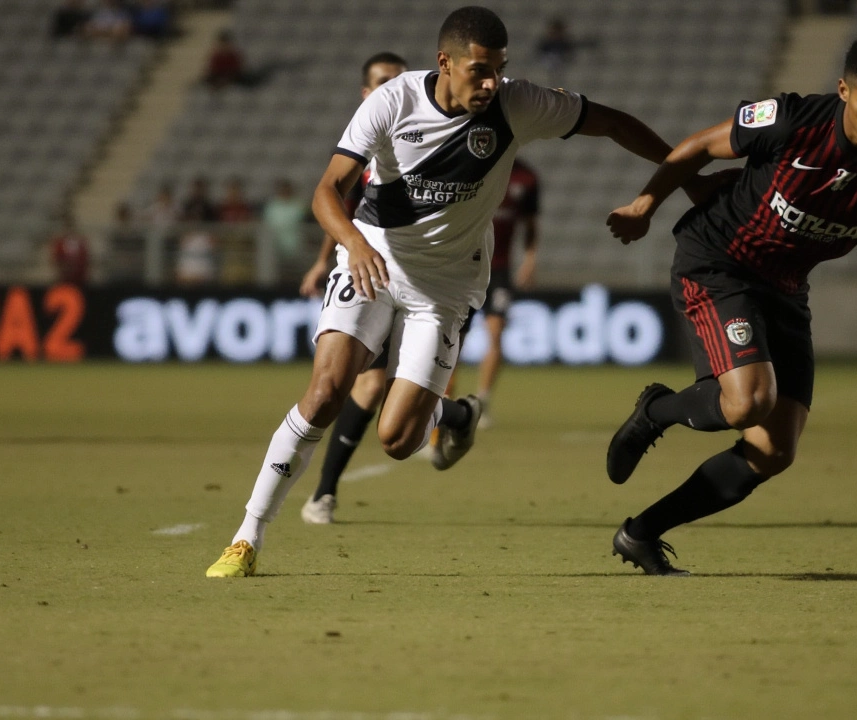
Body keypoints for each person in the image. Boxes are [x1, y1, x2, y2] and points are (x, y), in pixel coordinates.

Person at [207, 6, 723, 577]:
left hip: (446, 289)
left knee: (399, 439)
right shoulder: (391, 101)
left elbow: (616, 123)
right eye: (479, 70)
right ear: (444, 62)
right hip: (372, 262)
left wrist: (687, 179)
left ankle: (454, 417)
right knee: (328, 391)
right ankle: (246, 537)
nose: (490, 83)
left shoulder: (517, 104)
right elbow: (327, 190)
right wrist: (353, 244)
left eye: (499, 69)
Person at [604, 36, 857, 576]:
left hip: (786, 287)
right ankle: (655, 412)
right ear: (844, 91)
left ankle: (641, 532)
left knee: (774, 450)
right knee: (748, 404)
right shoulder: (792, 119)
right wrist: (645, 205)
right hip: (719, 261)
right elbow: (698, 146)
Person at [299, 51, 409, 525]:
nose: (392, 89)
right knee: (366, 385)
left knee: (403, 395)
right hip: (373, 275)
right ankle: (323, 492)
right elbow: (338, 208)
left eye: (399, 81)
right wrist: (324, 261)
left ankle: (455, 418)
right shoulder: (360, 146)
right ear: (366, 93)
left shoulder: (424, 140)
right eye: (383, 82)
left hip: (427, 277)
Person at [473, 157, 540, 427]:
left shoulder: (527, 178)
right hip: (465, 265)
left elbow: (531, 224)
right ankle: (441, 400)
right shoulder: (475, 166)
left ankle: (482, 401)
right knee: (451, 337)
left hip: (499, 270)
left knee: (496, 332)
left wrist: (530, 260)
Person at [262, 179, 309, 275]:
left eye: (286, 189)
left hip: (296, 247)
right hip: (275, 248)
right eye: (282, 189)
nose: (284, 191)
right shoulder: (272, 207)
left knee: (296, 275)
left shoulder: (299, 206)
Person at [49, 217, 90, 285]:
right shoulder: (60, 243)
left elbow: (86, 257)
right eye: (67, 227)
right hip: (64, 278)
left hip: (80, 278)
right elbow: (56, 258)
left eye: (70, 227)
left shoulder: (81, 242)